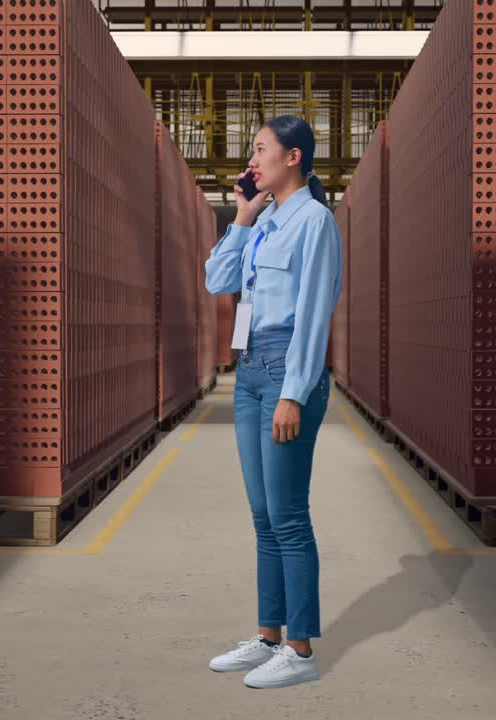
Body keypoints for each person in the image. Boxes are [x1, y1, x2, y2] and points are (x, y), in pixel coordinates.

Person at [202, 114, 342, 689]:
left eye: (261, 150)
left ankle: (301, 649)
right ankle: (268, 638)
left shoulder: (315, 223)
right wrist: (240, 217)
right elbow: (218, 281)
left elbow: (313, 318)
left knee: (288, 516)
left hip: (287, 372)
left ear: (293, 158)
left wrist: (295, 393)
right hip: (250, 371)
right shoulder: (263, 222)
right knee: (263, 518)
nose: (251, 160)